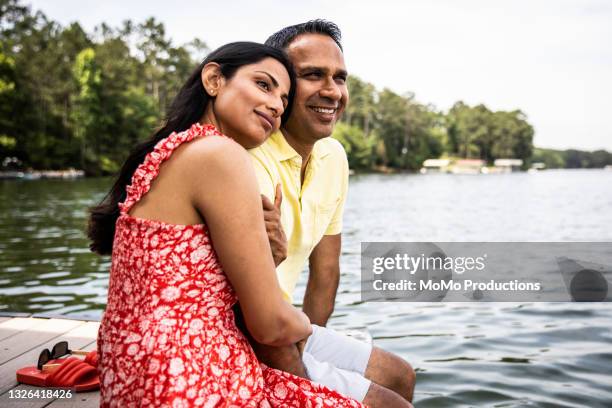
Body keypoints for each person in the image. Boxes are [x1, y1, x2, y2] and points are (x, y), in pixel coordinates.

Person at [88, 42, 364, 407]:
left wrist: (274, 258)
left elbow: (197, 282)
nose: (276, 105)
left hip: (137, 367)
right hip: (182, 374)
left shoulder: (173, 149)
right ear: (214, 79)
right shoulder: (220, 155)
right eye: (264, 85)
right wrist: (302, 326)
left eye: (283, 98)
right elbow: (269, 323)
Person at [247, 21, 416, 407]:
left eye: (340, 78)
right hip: (246, 330)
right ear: (280, 86)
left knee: (399, 375)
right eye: (313, 75)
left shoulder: (333, 157)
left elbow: (326, 272)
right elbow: (247, 305)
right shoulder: (250, 159)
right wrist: (306, 384)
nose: (332, 91)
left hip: (285, 327)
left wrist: (312, 346)